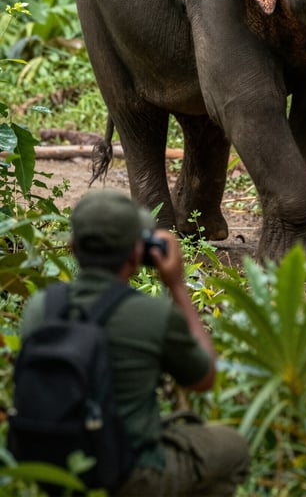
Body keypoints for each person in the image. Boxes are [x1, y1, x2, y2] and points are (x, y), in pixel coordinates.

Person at [19, 189, 250, 496]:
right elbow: (204, 377)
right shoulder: (151, 313)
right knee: (232, 448)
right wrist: (177, 286)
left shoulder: (40, 306)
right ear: (136, 253)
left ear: (72, 248)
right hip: (127, 474)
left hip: (50, 468)